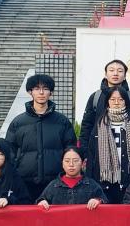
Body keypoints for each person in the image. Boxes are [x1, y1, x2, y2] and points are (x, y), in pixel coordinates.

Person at [5, 74, 77, 202]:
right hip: (24, 182)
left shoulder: (62, 121)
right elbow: (9, 151)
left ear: (51, 93)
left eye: (45, 88)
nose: (41, 92)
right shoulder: (18, 122)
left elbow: (71, 149)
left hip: (56, 182)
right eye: (37, 88)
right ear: (30, 92)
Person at [85, 85, 130, 203]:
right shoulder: (100, 124)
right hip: (104, 184)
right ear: (107, 102)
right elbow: (92, 155)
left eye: (121, 99)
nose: (116, 102)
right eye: (112, 99)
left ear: (126, 102)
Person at [79, 59, 130, 158]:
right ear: (105, 74)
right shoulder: (96, 97)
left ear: (125, 76)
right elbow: (86, 126)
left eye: (120, 71)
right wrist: (85, 153)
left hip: (127, 153)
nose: (115, 73)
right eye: (111, 70)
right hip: (99, 153)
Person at [37, 147, 107, 209]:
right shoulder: (53, 186)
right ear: (62, 163)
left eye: (75, 161)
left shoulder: (92, 185)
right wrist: (42, 202)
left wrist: (98, 200)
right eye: (67, 161)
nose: (71, 164)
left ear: (83, 163)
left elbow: (105, 201)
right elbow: (40, 201)